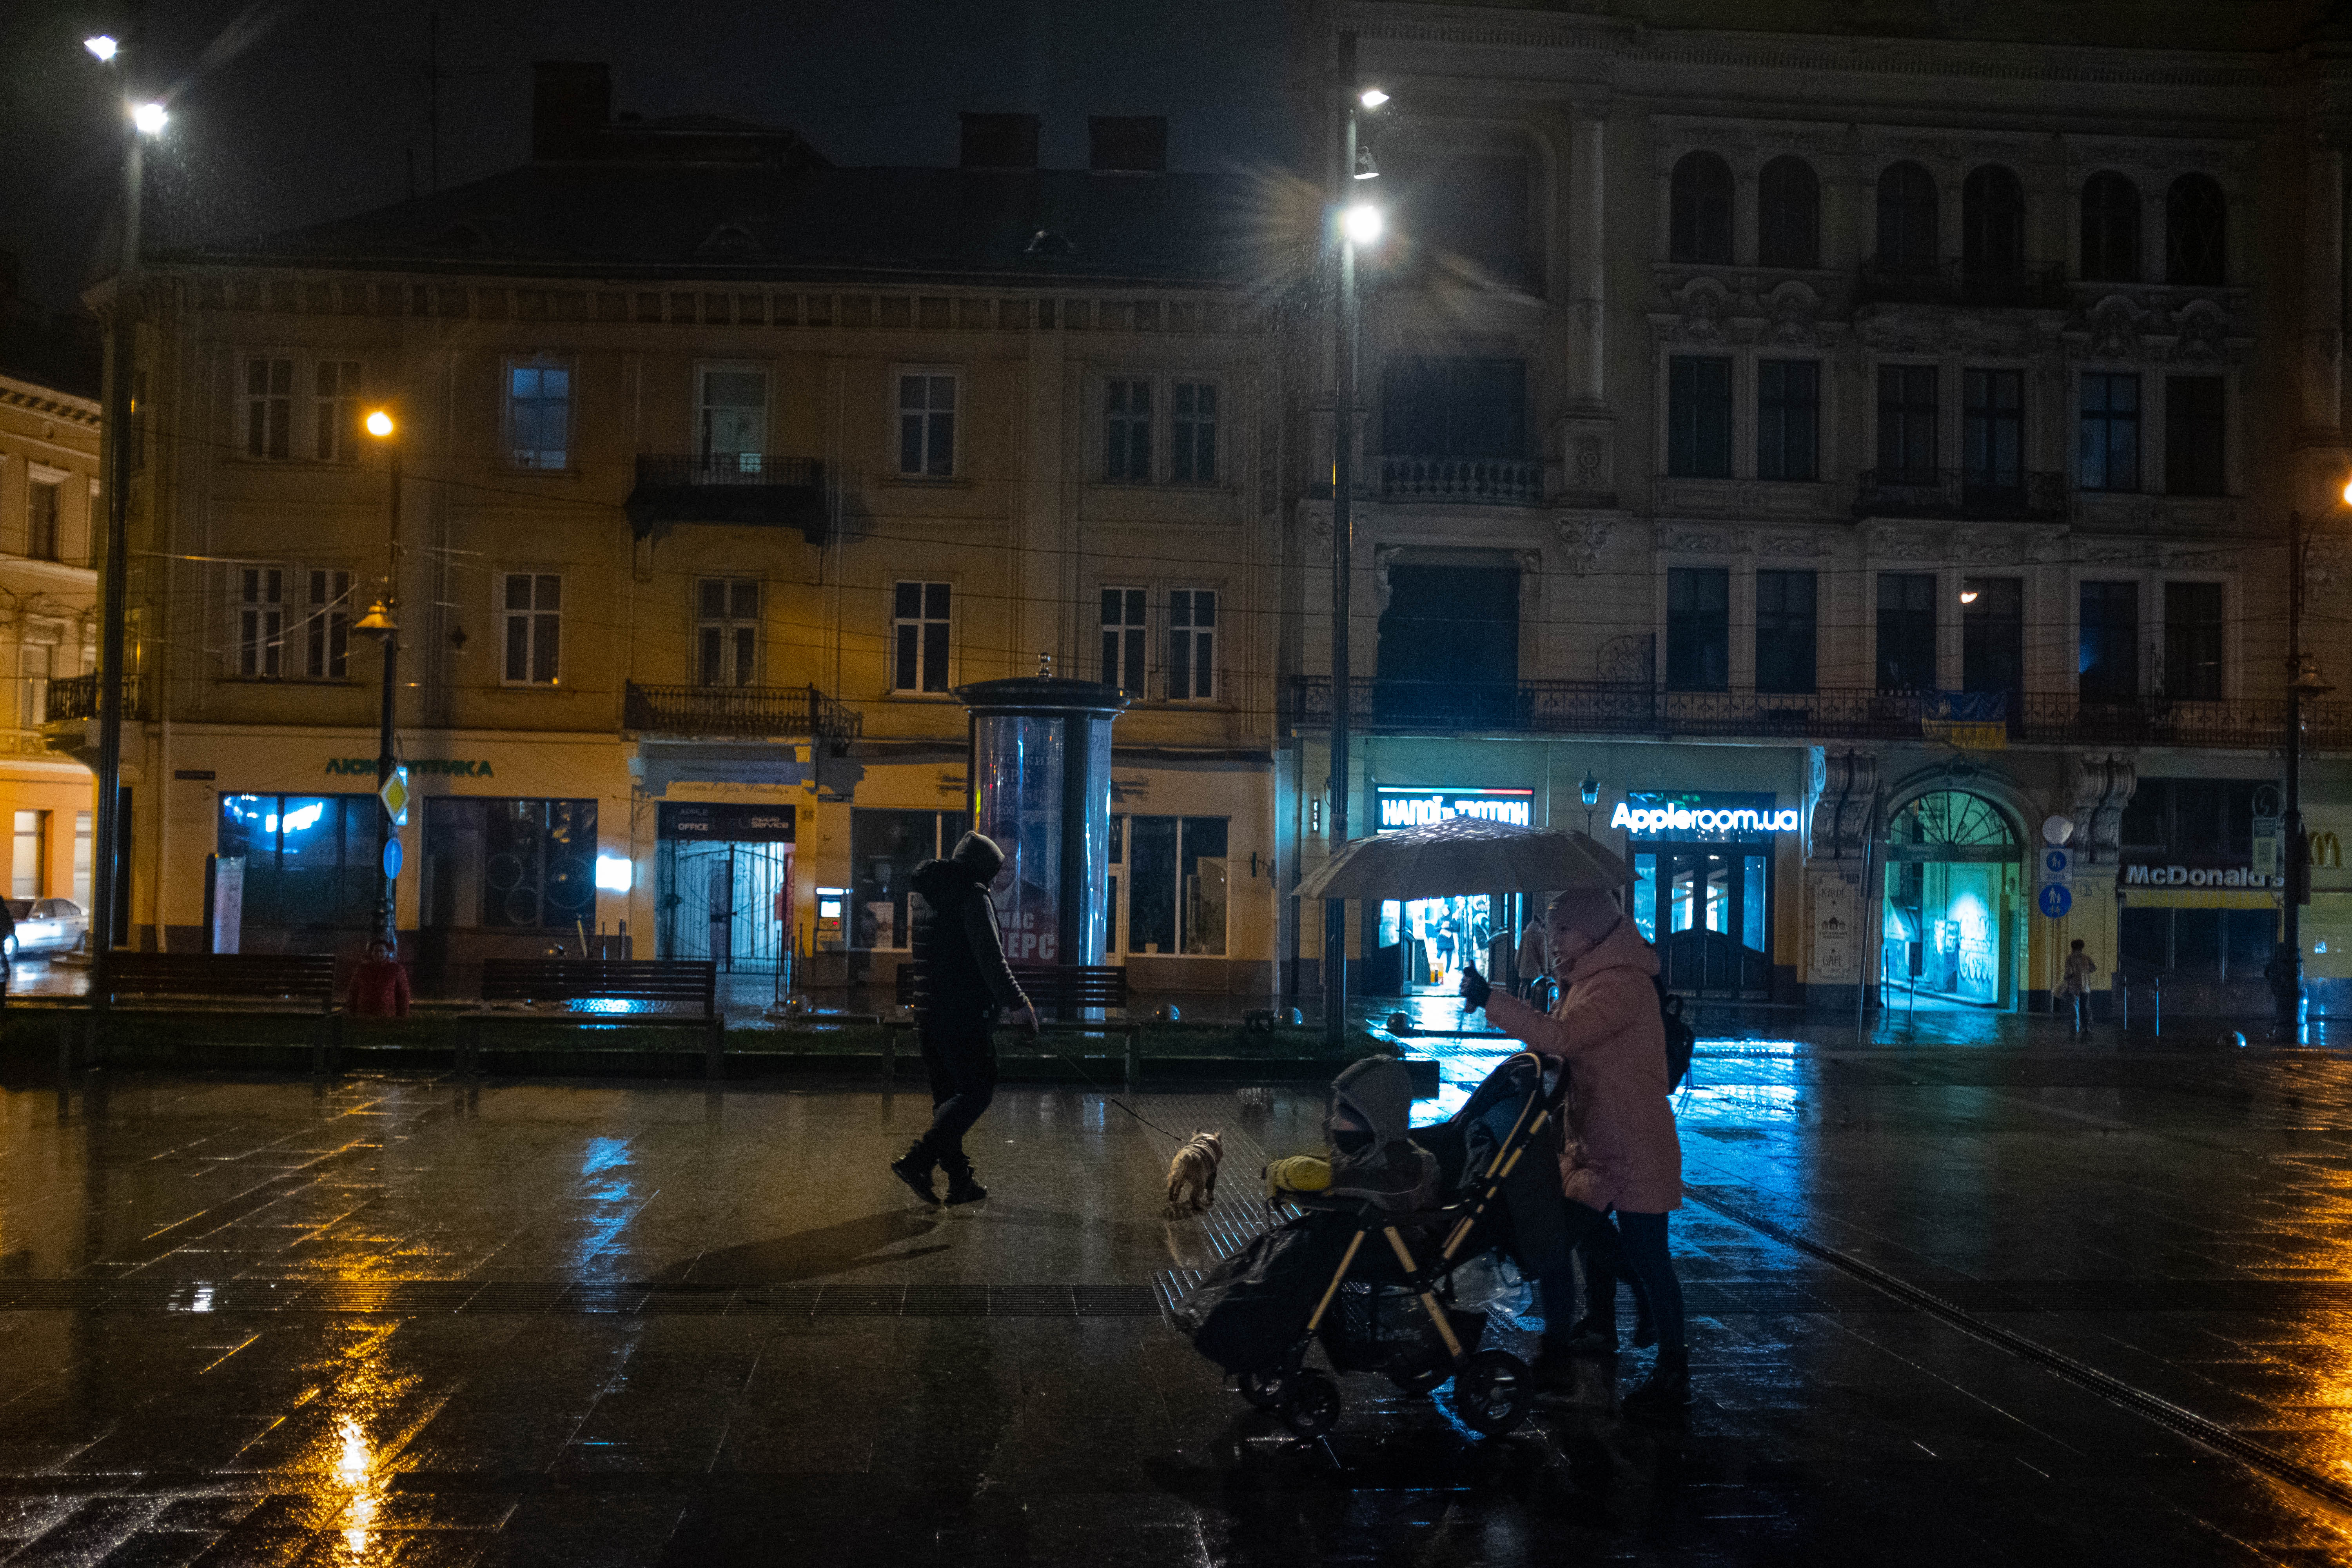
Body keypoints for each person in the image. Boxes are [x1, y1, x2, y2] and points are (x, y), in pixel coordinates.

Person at [1461, 887, 1690, 1409]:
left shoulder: (1621, 986)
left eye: (1563, 930)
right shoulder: (1586, 981)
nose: (1552, 940)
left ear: (1591, 933)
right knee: (1571, 1238)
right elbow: (1554, 1050)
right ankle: (1584, 1337)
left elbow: (1563, 1038)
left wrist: (1492, 999)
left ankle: (1674, 1369)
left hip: (1633, 1143)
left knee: (1648, 1255)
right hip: (1592, 1140)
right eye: (1549, 929)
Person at [891, 831, 1040, 1206]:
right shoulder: (973, 897)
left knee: (947, 1100)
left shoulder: (929, 896)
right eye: (993, 871)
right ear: (983, 869)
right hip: (963, 1015)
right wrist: (1019, 1005)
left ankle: (960, 1182)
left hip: (930, 1013)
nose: (993, 880)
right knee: (977, 1090)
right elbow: (991, 959)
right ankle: (919, 1161)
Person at [348, 936, 410, 1018]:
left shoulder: (396, 970)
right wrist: (352, 1011)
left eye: (382, 951)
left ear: (387, 952)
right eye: (375, 951)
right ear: (371, 953)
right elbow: (353, 990)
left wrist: (403, 1015)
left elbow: (403, 993)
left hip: (387, 1015)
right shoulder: (362, 969)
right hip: (364, 1015)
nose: (378, 954)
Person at [2058, 938, 2096, 1034]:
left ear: (2072, 948)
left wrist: (2067, 978)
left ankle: (2075, 1027)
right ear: (2082, 948)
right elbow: (2093, 968)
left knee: (2075, 1007)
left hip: (2074, 987)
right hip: (2086, 987)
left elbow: (2068, 973)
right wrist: (2085, 973)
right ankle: (2087, 1027)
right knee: (2086, 1007)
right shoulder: (2086, 958)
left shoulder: (2070, 959)